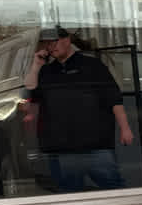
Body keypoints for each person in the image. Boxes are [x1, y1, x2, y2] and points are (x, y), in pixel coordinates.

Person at [24, 27, 133, 193]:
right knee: (70, 196)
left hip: (95, 145)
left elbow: (114, 99)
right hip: (60, 148)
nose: (51, 47)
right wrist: (36, 65)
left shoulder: (92, 65)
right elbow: (31, 92)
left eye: (55, 42)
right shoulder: (46, 71)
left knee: (114, 191)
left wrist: (125, 129)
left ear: (67, 40)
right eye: (47, 43)